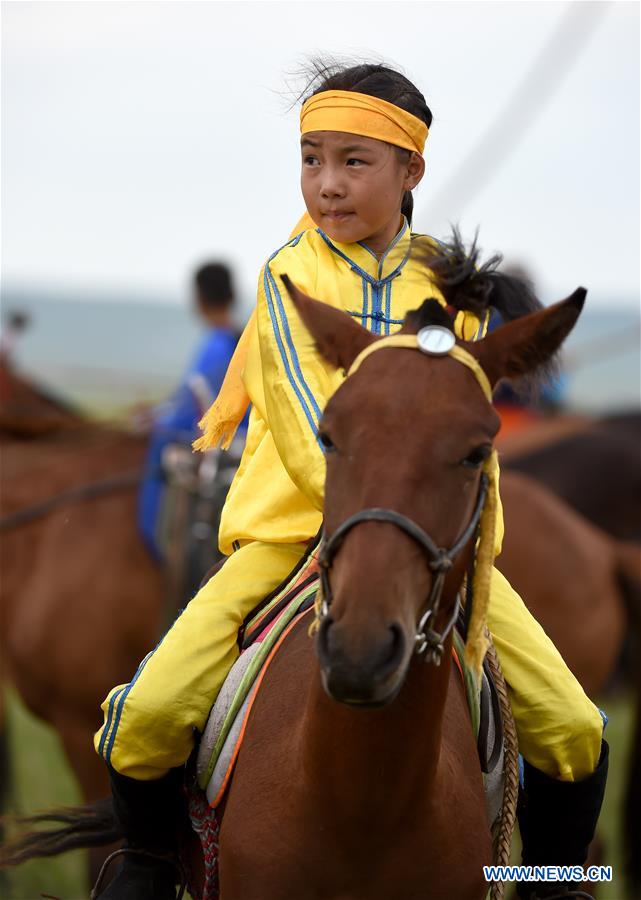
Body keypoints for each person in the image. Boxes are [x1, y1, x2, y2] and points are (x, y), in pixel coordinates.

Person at [94, 63, 608, 900]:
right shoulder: (286, 279)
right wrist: (368, 508)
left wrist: (428, 526)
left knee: (575, 728)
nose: (326, 183)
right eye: (310, 158)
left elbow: (466, 419)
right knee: (146, 714)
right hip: (290, 535)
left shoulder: (450, 286)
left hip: (438, 549)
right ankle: (150, 870)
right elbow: (306, 432)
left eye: (354, 161)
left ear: (411, 171)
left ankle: (545, 881)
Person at [137, 262, 243, 561]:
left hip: (219, 444)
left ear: (199, 297)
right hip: (237, 437)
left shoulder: (215, 344)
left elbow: (192, 406)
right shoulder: (238, 337)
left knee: (159, 448)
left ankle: (163, 547)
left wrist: (155, 421)